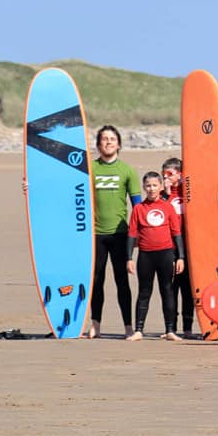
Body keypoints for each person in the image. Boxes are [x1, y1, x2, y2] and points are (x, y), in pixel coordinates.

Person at [90, 125, 141, 339]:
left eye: (112, 139)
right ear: (98, 144)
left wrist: (137, 235)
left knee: (122, 281)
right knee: (96, 280)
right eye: (104, 139)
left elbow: (138, 206)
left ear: (119, 144)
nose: (108, 142)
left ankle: (128, 326)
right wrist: (31, 186)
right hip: (95, 234)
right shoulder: (89, 169)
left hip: (120, 234)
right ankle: (95, 325)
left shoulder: (127, 171)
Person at [126, 172, 185, 341]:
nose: (151, 189)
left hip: (166, 254)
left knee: (167, 291)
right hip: (145, 255)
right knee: (144, 292)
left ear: (160, 186)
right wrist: (129, 258)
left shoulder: (168, 207)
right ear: (144, 188)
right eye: (148, 186)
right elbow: (131, 234)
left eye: (154, 185)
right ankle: (138, 330)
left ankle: (170, 330)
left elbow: (176, 233)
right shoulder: (138, 209)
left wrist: (180, 257)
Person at [161, 157, 192, 338]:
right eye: (164, 173)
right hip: (169, 246)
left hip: (187, 246)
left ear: (180, 174)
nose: (167, 177)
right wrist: (165, 192)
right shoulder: (163, 195)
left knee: (187, 288)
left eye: (170, 174)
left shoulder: (186, 191)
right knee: (170, 288)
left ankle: (187, 327)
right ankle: (170, 328)